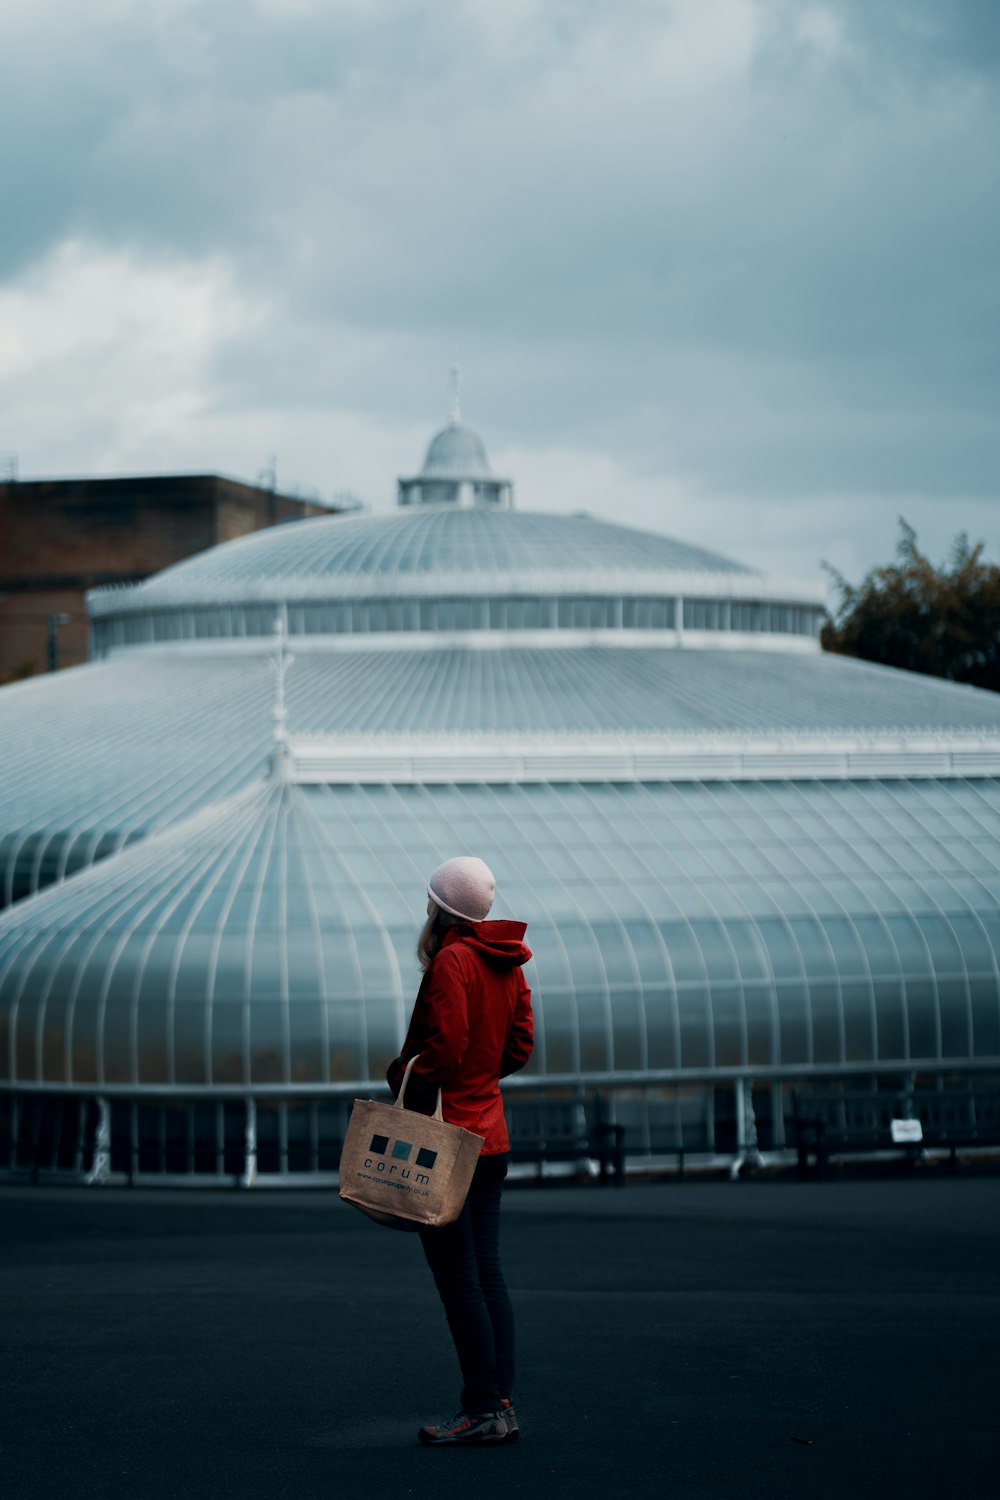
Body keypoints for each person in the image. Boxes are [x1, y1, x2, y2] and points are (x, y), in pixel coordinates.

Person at [387, 855, 533, 1447]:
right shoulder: (508, 960)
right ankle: (499, 1402)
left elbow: (442, 1051)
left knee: (460, 1283)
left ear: (440, 908)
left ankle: (481, 1408)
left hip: (447, 1144)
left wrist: (402, 1073)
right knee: (487, 1275)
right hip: (490, 1138)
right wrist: (478, 1077)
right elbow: (520, 1047)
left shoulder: (452, 959)